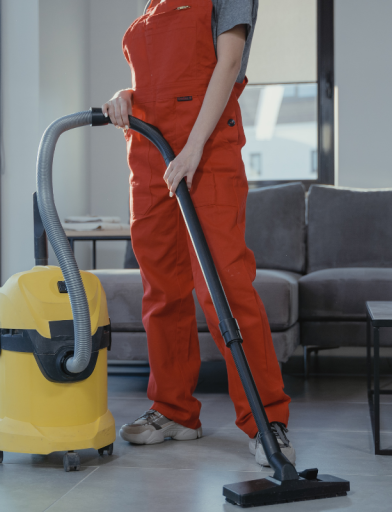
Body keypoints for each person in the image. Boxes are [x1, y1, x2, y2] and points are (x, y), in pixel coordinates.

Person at [102, 0, 293, 467]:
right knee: (162, 291)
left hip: (205, 150)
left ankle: (267, 420)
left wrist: (192, 149)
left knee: (225, 287)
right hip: (149, 153)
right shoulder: (152, 5)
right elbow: (154, 83)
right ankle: (174, 412)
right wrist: (124, 97)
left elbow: (228, 61)